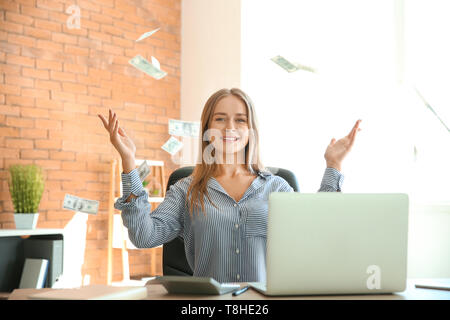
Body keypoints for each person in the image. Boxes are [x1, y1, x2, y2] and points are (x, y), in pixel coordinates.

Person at [98, 88, 362, 283]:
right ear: (207, 128)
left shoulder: (276, 188)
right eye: (220, 119)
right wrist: (129, 162)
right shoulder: (185, 190)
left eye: (240, 120)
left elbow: (318, 229)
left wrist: (334, 165)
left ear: (250, 130)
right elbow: (144, 236)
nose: (230, 128)